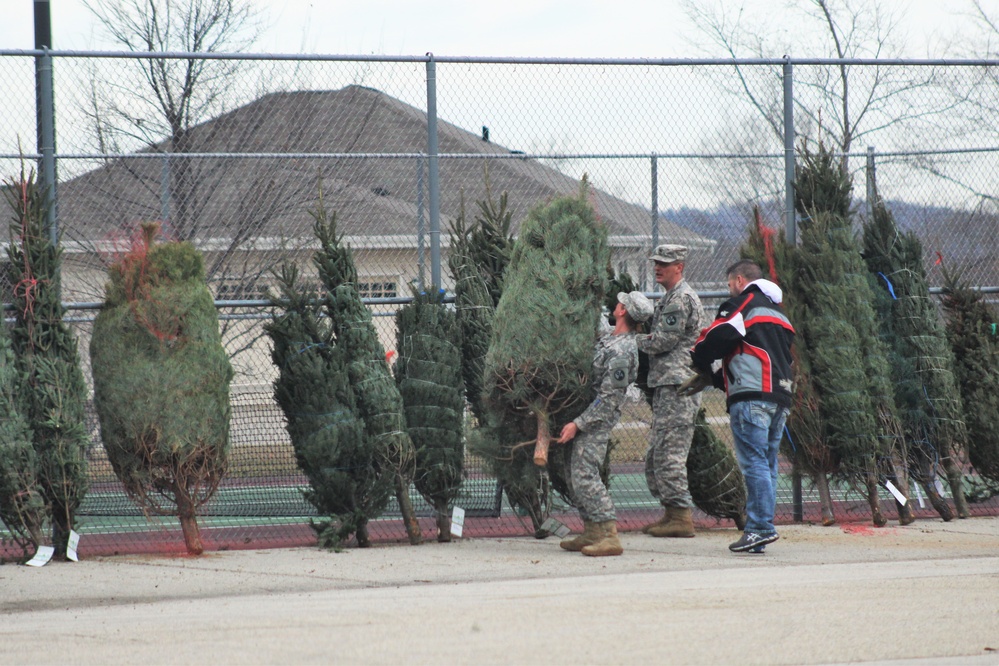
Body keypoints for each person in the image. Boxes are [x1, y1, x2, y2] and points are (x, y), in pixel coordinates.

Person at [682, 259, 795, 553]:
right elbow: (757, 351)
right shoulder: (779, 313)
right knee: (767, 462)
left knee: (754, 462)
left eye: (730, 283)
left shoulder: (742, 304)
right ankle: (762, 530)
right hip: (781, 396)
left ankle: (759, 528)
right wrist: (720, 378)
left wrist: (700, 363)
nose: (729, 289)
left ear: (741, 280)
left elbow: (715, 337)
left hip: (752, 396)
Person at [556, 290, 654, 557]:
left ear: (623, 311)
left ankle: (609, 534)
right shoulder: (610, 336)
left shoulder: (623, 350)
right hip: (582, 413)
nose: (616, 303)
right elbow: (595, 321)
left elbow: (609, 398)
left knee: (585, 474)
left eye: (620, 303)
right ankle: (592, 530)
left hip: (596, 420)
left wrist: (579, 423)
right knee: (572, 474)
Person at [635, 244, 705, 538]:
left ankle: (680, 517)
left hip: (678, 384)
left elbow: (663, 341)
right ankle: (671, 513)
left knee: (670, 453)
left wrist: (630, 340)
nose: (657, 267)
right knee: (659, 452)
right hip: (669, 383)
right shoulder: (671, 297)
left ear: (680, 266)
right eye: (655, 262)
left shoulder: (680, 299)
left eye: (665, 263)